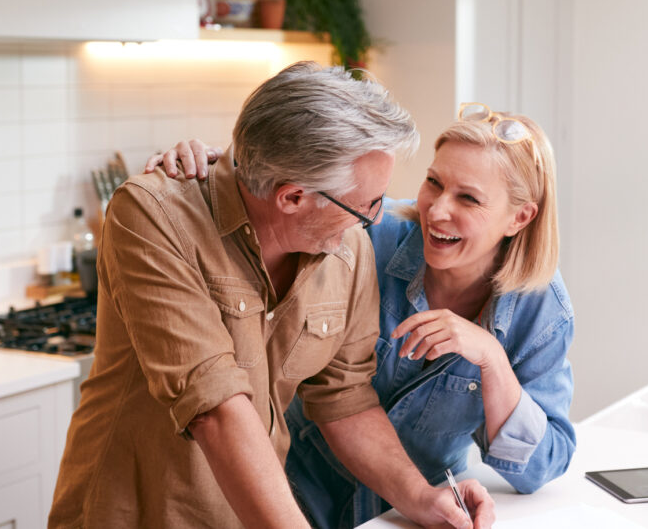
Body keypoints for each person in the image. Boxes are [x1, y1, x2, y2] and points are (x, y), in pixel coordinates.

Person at [50, 62, 495, 529]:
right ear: (292, 197)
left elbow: (345, 397)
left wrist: (422, 499)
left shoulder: (349, 249)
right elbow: (215, 406)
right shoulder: (154, 214)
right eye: (365, 205)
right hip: (131, 514)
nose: (375, 219)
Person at [148, 103, 576, 528]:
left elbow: (545, 465)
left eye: (468, 198)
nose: (437, 210)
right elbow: (272, 213)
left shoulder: (541, 309)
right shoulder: (368, 234)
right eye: (434, 182)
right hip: (295, 488)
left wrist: (491, 360)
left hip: (406, 512)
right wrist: (218, 176)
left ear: (520, 217)